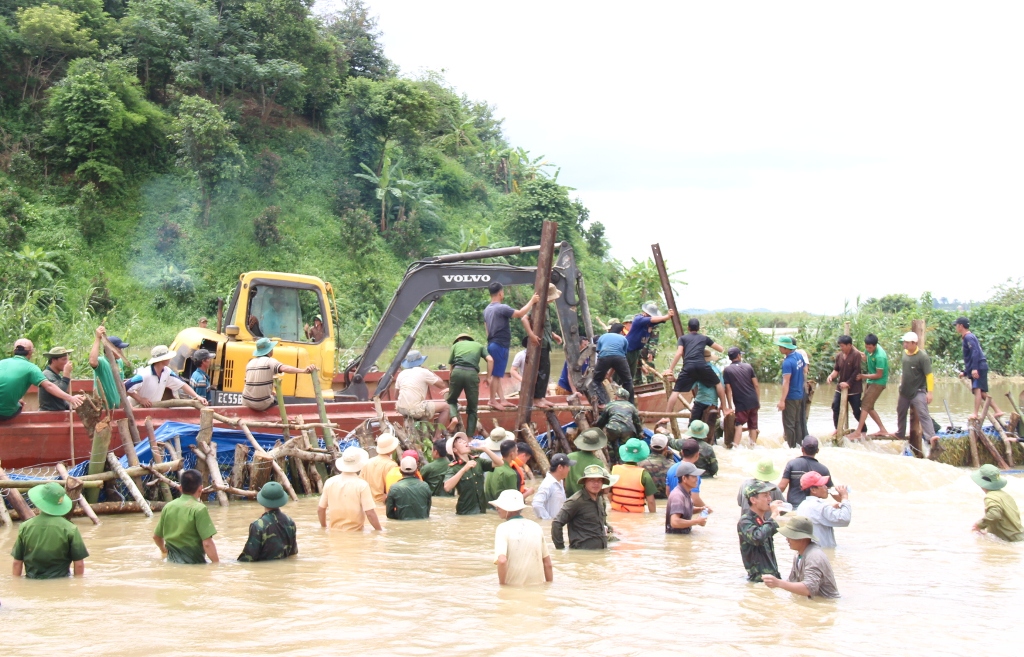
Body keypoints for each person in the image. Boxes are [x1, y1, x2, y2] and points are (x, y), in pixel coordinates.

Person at [11, 481, 88, 578]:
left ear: (40, 501)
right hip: (61, 582)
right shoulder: (71, 529)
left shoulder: (25, 527)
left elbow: (17, 562)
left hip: (32, 582)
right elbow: (79, 564)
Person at [484, 282, 539, 410]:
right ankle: (492, 400)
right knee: (496, 376)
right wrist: (532, 301)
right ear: (500, 293)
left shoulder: (487, 309)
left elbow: (487, 329)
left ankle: (502, 399)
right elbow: (520, 314)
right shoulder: (501, 308)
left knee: (497, 374)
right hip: (500, 345)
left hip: (492, 344)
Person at [0, 339, 84, 419]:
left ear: (14, 351)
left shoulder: (2, 363)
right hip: (5, 413)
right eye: (64, 359)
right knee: (19, 407)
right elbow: (49, 386)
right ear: (31, 353)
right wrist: (70, 396)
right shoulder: (32, 368)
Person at [664, 318, 730, 417]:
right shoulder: (704, 338)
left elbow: (679, 353)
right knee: (718, 384)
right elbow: (720, 349)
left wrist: (670, 369)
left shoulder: (682, 338)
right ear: (698, 328)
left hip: (688, 366)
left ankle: (667, 416)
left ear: (688, 328)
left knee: (676, 391)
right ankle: (724, 409)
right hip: (701, 365)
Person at [763, 515, 840, 599]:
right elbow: (792, 582)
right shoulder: (798, 555)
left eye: (790, 536)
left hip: (827, 603)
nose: (787, 539)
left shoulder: (814, 556)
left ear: (801, 538)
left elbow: (808, 589)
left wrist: (778, 583)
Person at [153, 469, 219, 564]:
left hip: (171, 563)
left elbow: (156, 537)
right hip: (193, 564)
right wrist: (217, 565)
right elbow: (207, 543)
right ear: (200, 489)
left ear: (180, 488)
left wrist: (163, 550)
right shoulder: (199, 509)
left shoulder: (168, 507)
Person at [491, 489, 553, 586]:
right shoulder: (536, 526)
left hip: (513, 590)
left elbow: (502, 561)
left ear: (509, 508)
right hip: (537, 590)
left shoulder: (503, 528)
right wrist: (549, 587)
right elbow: (548, 564)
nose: (497, 508)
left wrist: (502, 587)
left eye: (500, 506)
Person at [893, 331, 939, 456]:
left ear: (914, 343)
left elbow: (929, 375)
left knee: (923, 413)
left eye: (907, 343)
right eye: (904, 342)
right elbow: (905, 372)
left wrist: (930, 393)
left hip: (918, 391)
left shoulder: (922, 357)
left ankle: (931, 436)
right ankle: (900, 433)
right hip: (905, 391)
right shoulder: (905, 354)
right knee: (900, 411)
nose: (905, 345)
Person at [240, 337, 316, 411]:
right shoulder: (269, 361)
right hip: (261, 403)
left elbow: (250, 382)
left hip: (246, 401)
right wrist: (303, 371)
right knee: (280, 404)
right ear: (269, 351)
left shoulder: (250, 363)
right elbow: (285, 368)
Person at [551, 465, 615, 550]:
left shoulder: (599, 499)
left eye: (599, 480)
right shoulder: (576, 501)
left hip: (600, 553)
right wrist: (560, 549)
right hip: (582, 554)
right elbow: (557, 523)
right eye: (592, 480)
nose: (596, 484)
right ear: (585, 482)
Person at [521, 284, 564, 409]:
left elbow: (544, 326)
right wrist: (532, 335)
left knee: (546, 370)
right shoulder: (537, 306)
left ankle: (541, 397)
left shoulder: (547, 308)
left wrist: (554, 335)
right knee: (542, 372)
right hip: (540, 343)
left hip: (546, 342)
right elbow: (524, 319)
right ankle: (537, 399)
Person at [319, 447, 382, 531]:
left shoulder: (329, 482)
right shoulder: (362, 485)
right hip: (356, 533)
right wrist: (379, 531)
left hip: (334, 532)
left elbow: (320, 509)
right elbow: (370, 513)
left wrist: (324, 527)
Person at [126, 345, 208, 408]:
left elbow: (182, 385)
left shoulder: (167, 372)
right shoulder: (144, 374)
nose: (170, 359)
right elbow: (125, 387)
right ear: (162, 359)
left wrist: (197, 397)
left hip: (152, 407)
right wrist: (140, 399)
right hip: (137, 407)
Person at [443, 432, 504, 515]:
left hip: (482, 510)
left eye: (464, 441)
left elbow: (499, 463)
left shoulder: (478, 461)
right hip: (465, 513)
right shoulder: (454, 468)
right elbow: (447, 487)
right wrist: (464, 469)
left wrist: (485, 449)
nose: (465, 442)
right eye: (460, 442)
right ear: (455, 450)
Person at [395, 349, 450, 440]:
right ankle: (437, 436)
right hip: (415, 409)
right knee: (446, 407)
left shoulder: (401, 373)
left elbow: (396, 397)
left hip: (401, 408)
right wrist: (430, 371)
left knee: (421, 403)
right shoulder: (424, 371)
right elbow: (442, 385)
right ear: (420, 361)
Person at [955, 317, 1004, 420]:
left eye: (956, 325)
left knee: (977, 390)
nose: (955, 327)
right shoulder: (967, 337)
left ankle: (975, 413)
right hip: (977, 366)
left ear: (961, 326)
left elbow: (975, 352)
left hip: (979, 366)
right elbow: (970, 357)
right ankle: (997, 410)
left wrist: (975, 369)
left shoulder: (969, 337)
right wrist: (965, 372)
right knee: (981, 393)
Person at [237, 481, 298, 562]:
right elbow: (293, 553)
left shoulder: (258, 525)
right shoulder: (290, 522)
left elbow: (248, 558)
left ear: (262, 500)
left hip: (263, 572)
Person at [738, 481, 785, 582]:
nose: (770, 499)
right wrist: (773, 517)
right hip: (759, 580)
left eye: (769, 495)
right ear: (753, 500)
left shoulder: (763, 520)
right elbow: (757, 537)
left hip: (771, 578)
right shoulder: (745, 520)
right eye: (765, 495)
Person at [447, 333, 493, 437]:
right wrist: (488, 377)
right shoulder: (479, 345)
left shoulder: (455, 346)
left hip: (457, 372)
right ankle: (469, 437)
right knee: (472, 409)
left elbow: (451, 367)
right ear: (470, 340)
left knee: (451, 400)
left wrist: (452, 383)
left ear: (459, 340)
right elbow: (490, 360)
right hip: (472, 374)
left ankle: (454, 418)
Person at [794, 472, 851, 548]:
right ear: (813, 490)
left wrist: (831, 508)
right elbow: (844, 518)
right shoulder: (820, 506)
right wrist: (844, 497)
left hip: (809, 550)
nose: (826, 487)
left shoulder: (803, 505)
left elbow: (818, 514)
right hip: (821, 552)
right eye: (823, 485)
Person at [625, 302, 675, 384]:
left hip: (636, 352)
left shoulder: (650, 323)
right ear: (645, 313)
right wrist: (667, 316)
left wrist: (668, 317)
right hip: (627, 351)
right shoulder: (639, 319)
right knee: (627, 373)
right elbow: (653, 319)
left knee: (633, 373)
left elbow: (660, 321)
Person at [851, 333, 890, 439]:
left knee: (864, 405)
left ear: (875, 345)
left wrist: (863, 376)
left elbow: (879, 374)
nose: (868, 349)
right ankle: (882, 429)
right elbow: (864, 358)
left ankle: (858, 431)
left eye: (870, 347)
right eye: (866, 347)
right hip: (871, 380)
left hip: (878, 382)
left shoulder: (880, 356)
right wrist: (853, 348)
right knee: (869, 406)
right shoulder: (869, 351)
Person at [971, 464, 1023, 542]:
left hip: (1010, 541)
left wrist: (979, 525)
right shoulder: (1005, 495)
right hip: (1019, 536)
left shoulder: (990, 497)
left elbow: (994, 514)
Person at [778, 436, 834, 507]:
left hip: (794, 508)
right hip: (814, 510)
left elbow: (782, 487)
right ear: (817, 451)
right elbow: (833, 492)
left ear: (802, 449)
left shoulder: (792, 464)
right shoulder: (823, 469)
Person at [774, 335, 808, 448]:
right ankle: (798, 445)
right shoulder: (799, 356)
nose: (779, 349)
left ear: (786, 348)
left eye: (781, 347)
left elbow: (786, 382)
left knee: (789, 424)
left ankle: (791, 447)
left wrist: (782, 401)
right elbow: (804, 371)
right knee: (797, 422)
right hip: (800, 394)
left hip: (791, 396)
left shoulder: (787, 362)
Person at [723, 347, 761, 446]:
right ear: (739, 356)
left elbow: (728, 389)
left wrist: (730, 406)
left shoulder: (727, 370)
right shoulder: (748, 367)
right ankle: (753, 446)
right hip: (753, 401)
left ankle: (735, 446)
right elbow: (756, 385)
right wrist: (758, 401)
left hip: (741, 403)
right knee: (753, 425)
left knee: (738, 424)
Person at [610, 437, 657, 513]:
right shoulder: (644, 474)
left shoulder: (614, 470)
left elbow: (609, 494)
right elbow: (650, 501)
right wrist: (653, 516)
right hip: (636, 515)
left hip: (616, 512)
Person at [590, 323, 634, 405]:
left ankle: (605, 402)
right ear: (621, 331)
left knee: (596, 381)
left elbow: (599, 350)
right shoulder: (623, 338)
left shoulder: (603, 336)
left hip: (604, 357)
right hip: (620, 358)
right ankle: (629, 403)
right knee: (628, 381)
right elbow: (623, 353)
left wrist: (604, 369)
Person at [826, 335, 863, 432]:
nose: (841, 348)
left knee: (856, 411)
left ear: (849, 345)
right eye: (840, 346)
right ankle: (838, 429)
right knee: (835, 406)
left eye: (843, 346)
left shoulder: (856, 355)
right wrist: (831, 376)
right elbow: (836, 370)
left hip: (854, 388)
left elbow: (856, 371)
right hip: (840, 387)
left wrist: (848, 383)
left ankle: (863, 429)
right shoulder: (839, 356)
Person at [595, 386, 643, 460]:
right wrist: (640, 433)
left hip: (613, 428)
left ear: (616, 397)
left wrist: (597, 427)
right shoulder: (631, 406)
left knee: (609, 442)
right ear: (626, 398)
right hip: (628, 430)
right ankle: (625, 461)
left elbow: (602, 420)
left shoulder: (610, 405)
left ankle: (613, 460)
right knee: (626, 447)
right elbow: (637, 422)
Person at [665, 434, 710, 509]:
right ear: (697, 454)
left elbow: (668, 493)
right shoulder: (694, 472)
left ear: (682, 452)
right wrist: (706, 509)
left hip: (674, 508)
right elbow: (694, 499)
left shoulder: (671, 468)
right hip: (686, 512)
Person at [665, 462, 709, 534]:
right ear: (684, 478)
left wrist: (701, 509)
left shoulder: (686, 492)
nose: (696, 479)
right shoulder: (678, 496)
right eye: (694, 476)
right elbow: (674, 522)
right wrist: (697, 521)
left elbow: (684, 510)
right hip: (677, 540)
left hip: (682, 536)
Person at [385, 455, 433, 520]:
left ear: (400, 471)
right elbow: (427, 511)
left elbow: (389, 514)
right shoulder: (425, 486)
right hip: (421, 526)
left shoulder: (394, 488)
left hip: (401, 525)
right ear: (416, 470)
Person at [565, 428, 609, 498]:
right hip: (586, 499)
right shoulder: (597, 463)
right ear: (597, 446)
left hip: (568, 498)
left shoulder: (569, 457)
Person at [689, 347, 724, 430]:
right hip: (713, 404)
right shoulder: (717, 370)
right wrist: (722, 405)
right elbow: (722, 388)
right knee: (710, 428)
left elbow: (690, 386)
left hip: (700, 402)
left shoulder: (699, 370)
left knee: (693, 426)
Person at [532, 453, 575, 520]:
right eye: (567, 466)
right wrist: (548, 521)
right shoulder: (547, 484)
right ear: (560, 467)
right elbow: (536, 504)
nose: (569, 470)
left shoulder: (559, 481)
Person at [88, 327, 123, 408]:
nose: (121, 351)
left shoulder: (119, 362)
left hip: (116, 408)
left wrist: (124, 404)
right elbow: (92, 361)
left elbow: (121, 384)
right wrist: (97, 338)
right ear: (111, 349)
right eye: (119, 349)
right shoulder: (102, 362)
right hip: (103, 409)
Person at [361, 432, 400, 504]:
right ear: (392, 449)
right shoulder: (391, 465)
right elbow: (394, 489)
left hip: (367, 503)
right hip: (383, 503)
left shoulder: (367, 462)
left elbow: (360, 483)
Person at [36, 346, 75, 411]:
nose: (67, 362)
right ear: (53, 360)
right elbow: (60, 391)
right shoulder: (47, 374)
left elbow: (60, 400)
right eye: (64, 359)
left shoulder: (56, 375)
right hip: (49, 416)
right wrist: (66, 375)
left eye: (67, 359)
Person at [638, 434, 676, 499]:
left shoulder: (640, 464)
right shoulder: (673, 465)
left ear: (650, 446)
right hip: (666, 498)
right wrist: (670, 459)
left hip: (646, 499)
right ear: (666, 448)